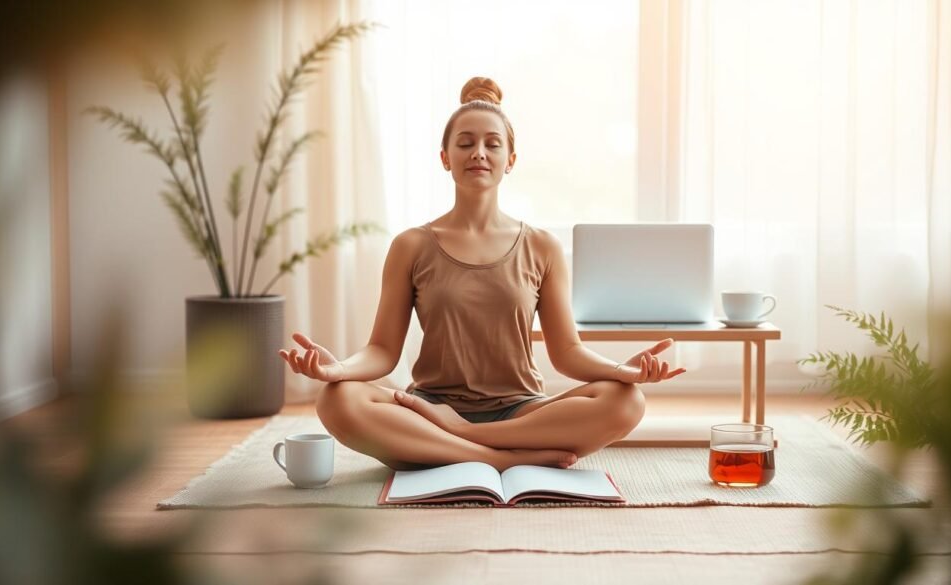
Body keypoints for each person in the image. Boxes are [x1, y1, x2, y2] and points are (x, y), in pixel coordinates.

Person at [278, 77, 686, 472]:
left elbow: (567, 353)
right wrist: (339, 370)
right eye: (465, 143)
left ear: (510, 160)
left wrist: (620, 371)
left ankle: (458, 443)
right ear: (445, 158)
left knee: (627, 401)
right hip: (430, 406)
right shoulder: (411, 245)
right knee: (336, 400)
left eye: (493, 144)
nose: (479, 153)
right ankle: (501, 457)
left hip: (520, 409)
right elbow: (383, 350)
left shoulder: (542, 246)